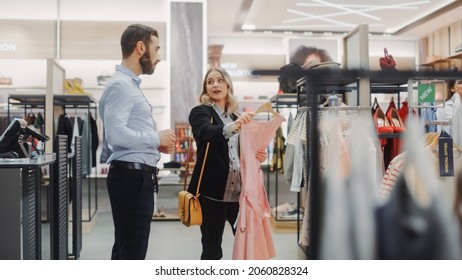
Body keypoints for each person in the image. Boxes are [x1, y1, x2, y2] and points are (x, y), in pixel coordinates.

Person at [98, 23, 176, 260]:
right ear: (141, 47)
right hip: (131, 178)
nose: (158, 57)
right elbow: (115, 135)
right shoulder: (121, 86)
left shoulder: (127, 85)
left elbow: (124, 132)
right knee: (132, 252)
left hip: (135, 177)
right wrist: (155, 138)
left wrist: (154, 145)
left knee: (127, 248)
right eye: (157, 49)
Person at [188, 67, 267, 260]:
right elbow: (206, 132)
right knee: (212, 249)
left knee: (248, 244)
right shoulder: (201, 112)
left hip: (239, 195)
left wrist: (258, 155)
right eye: (210, 82)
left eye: (220, 80)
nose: (215, 85)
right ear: (205, 88)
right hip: (212, 195)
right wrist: (234, 127)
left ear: (228, 84)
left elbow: (245, 152)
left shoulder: (235, 116)